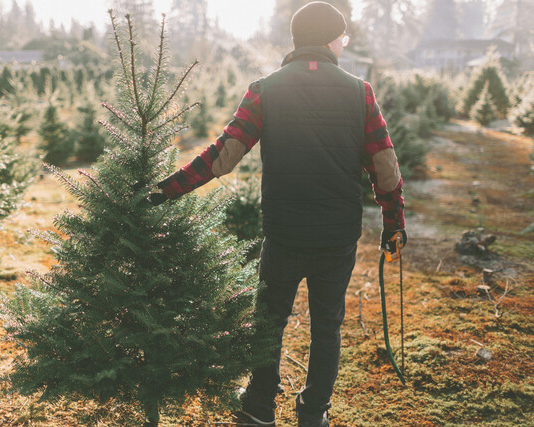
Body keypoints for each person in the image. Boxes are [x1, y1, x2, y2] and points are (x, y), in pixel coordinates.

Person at [149, 2, 407, 426]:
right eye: (342, 35)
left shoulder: (265, 89)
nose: (345, 42)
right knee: (328, 326)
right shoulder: (360, 92)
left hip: (284, 233)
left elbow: (224, 156)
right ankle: (313, 412)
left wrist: (166, 189)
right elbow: (385, 166)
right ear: (328, 39)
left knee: (268, 322)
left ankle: (259, 407)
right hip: (337, 237)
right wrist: (394, 224)